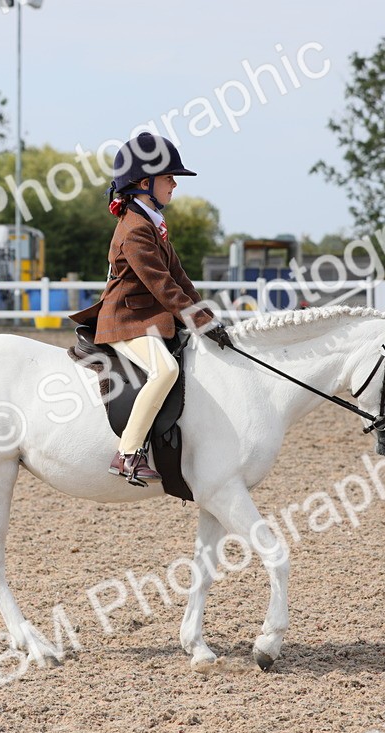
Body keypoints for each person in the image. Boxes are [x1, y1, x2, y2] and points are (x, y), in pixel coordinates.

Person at [70, 132, 231, 486]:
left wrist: (208, 318)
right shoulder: (135, 230)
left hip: (145, 319)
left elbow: (180, 279)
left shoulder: (151, 223)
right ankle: (128, 453)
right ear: (145, 184)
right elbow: (163, 286)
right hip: (126, 320)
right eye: (169, 177)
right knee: (165, 371)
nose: (175, 184)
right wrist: (200, 322)